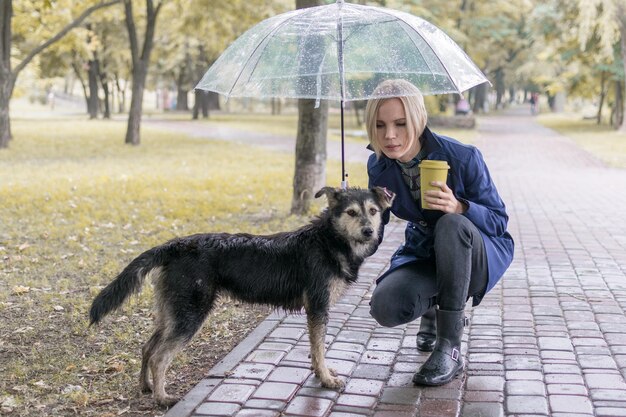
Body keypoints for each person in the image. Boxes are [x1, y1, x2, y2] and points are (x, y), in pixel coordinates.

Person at [365, 79, 514, 386]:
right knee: (386, 307)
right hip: (425, 252)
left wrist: (460, 207)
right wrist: (354, 217)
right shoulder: (379, 166)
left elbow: (499, 221)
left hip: (477, 253)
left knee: (451, 224)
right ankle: (433, 307)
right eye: (380, 126)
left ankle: (450, 346)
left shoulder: (462, 157)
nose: (389, 135)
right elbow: (378, 223)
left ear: (419, 119)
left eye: (400, 123)